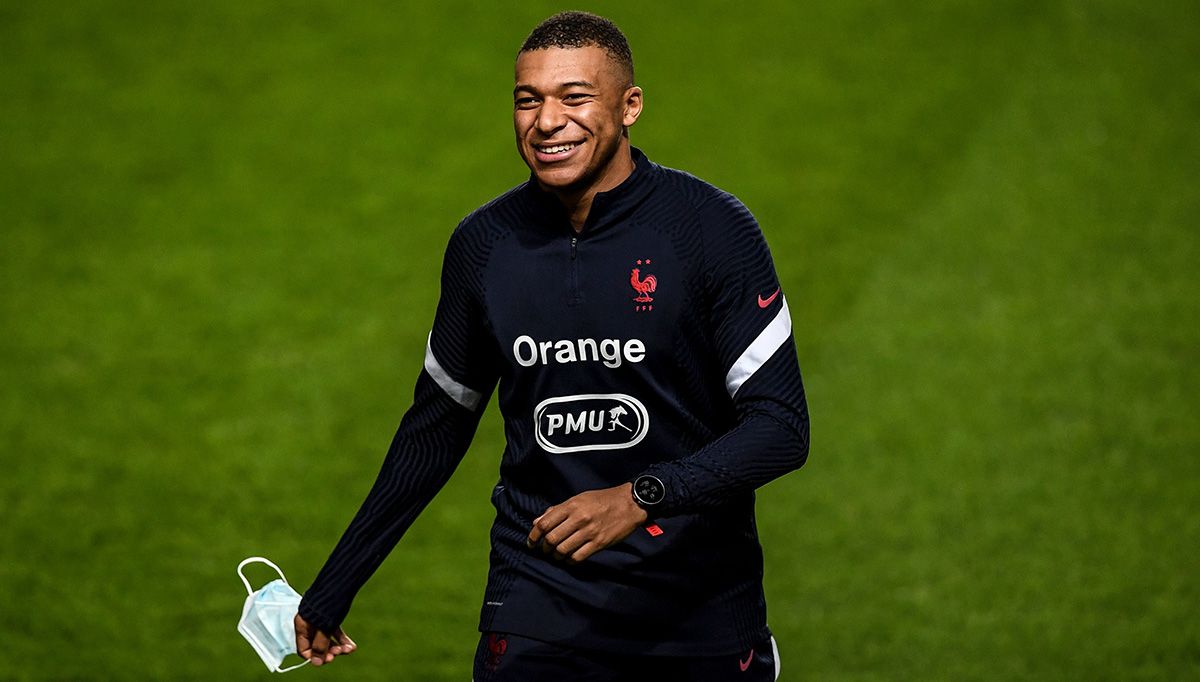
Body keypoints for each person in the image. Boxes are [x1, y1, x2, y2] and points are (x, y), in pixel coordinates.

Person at [294, 11, 809, 681]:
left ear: (630, 107)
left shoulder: (710, 231)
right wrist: (337, 581)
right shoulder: (484, 247)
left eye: (574, 97)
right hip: (536, 608)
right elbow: (436, 429)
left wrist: (640, 495)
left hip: (697, 616)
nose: (546, 121)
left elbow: (780, 427)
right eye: (527, 99)